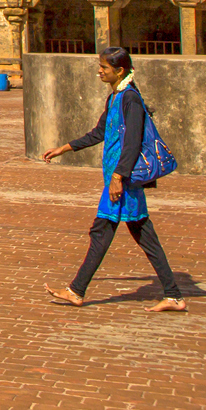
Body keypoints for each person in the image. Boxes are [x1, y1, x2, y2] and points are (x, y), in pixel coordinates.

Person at [42, 46, 187, 312]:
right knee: (142, 234)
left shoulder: (130, 99)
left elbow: (132, 142)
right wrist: (64, 148)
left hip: (123, 181)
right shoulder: (115, 98)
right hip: (118, 178)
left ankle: (77, 290)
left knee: (105, 231)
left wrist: (119, 177)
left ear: (119, 70)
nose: (99, 71)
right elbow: (99, 132)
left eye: (104, 67)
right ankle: (173, 294)